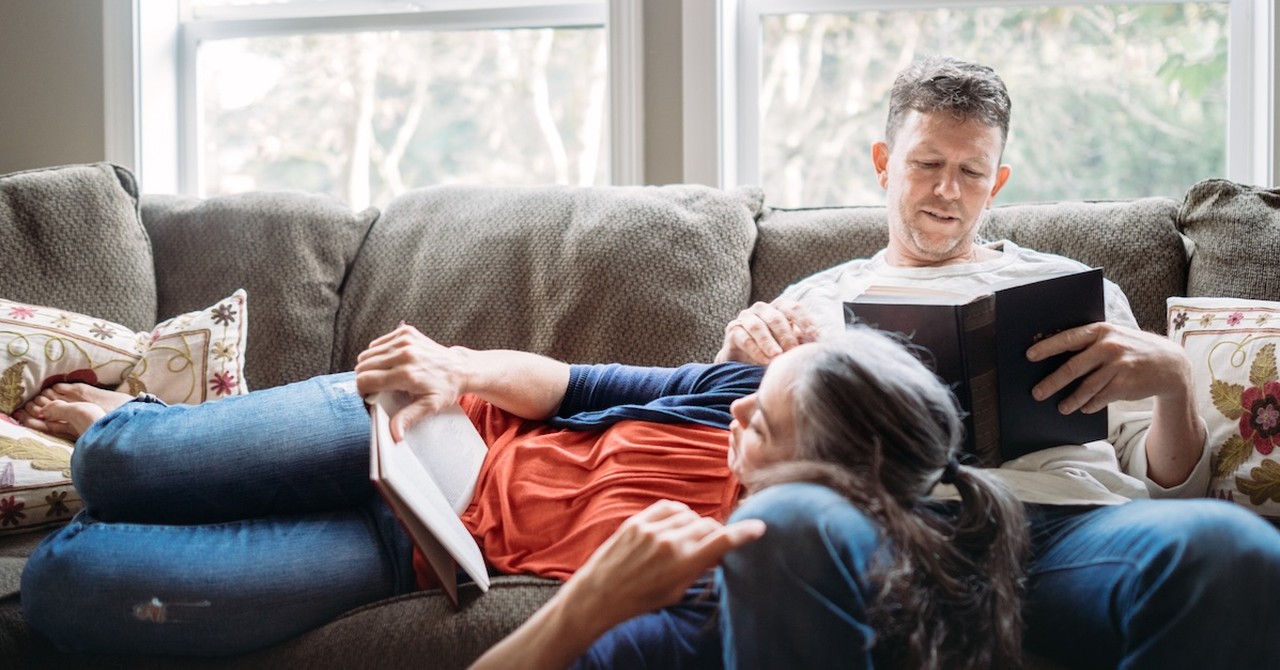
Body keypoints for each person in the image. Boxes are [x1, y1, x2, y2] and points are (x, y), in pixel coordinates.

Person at [714, 54, 1280, 668]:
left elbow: (1168, 488)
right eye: (926, 164)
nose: (947, 190)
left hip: (1069, 529)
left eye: (972, 171)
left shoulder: (1075, 290)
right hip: (888, 530)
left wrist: (1174, 382)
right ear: (884, 164)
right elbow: (725, 451)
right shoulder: (811, 301)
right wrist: (733, 363)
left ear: (998, 183)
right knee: (780, 521)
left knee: (1233, 546)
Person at [472, 326, 1029, 669]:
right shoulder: (735, 393)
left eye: (761, 422)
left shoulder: (711, 608)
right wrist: (461, 367)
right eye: (756, 390)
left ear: (812, 481)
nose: (737, 411)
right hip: (460, 430)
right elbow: (576, 383)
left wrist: (590, 601)